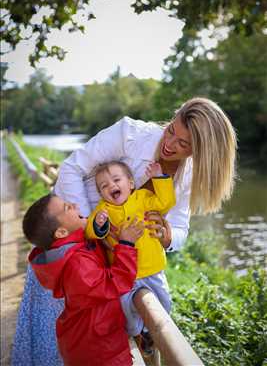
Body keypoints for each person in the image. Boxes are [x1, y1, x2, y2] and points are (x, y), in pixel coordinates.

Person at [12, 97, 237, 365]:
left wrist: (167, 236)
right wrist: (92, 230)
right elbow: (72, 168)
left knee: (102, 338)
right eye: (171, 130)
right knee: (59, 340)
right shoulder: (129, 134)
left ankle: (143, 338)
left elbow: (179, 230)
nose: (170, 143)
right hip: (74, 256)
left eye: (183, 143)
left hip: (118, 266)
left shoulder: (187, 177)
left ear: (200, 151)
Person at [22, 193, 144, 366]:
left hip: (91, 342)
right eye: (67, 208)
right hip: (99, 350)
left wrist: (104, 233)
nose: (73, 204)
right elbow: (115, 283)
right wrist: (127, 245)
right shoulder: (76, 264)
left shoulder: (73, 249)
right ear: (61, 232)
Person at [85, 160, 176, 352]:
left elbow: (165, 201)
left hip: (152, 268)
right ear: (101, 194)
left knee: (164, 304)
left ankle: (153, 333)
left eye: (117, 179)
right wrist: (99, 224)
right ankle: (138, 333)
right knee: (126, 308)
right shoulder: (104, 210)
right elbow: (91, 232)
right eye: (104, 186)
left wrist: (159, 178)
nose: (112, 186)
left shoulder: (143, 198)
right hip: (124, 274)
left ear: (131, 183)